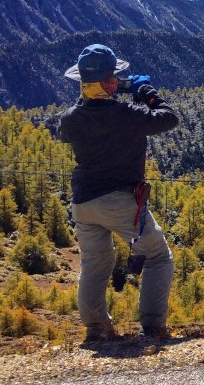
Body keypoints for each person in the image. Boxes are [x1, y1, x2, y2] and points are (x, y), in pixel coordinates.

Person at [58, 44, 179, 342]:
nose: (118, 81)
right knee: (157, 256)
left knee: (95, 263)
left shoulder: (70, 119)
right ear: (109, 83)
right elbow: (168, 117)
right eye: (114, 78)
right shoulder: (129, 114)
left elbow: (83, 117)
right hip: (121, 202)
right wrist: (146, 92)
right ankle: (152, 328)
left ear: (83, 84)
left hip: (83, 203)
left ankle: (97, 329)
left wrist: (99, 94)